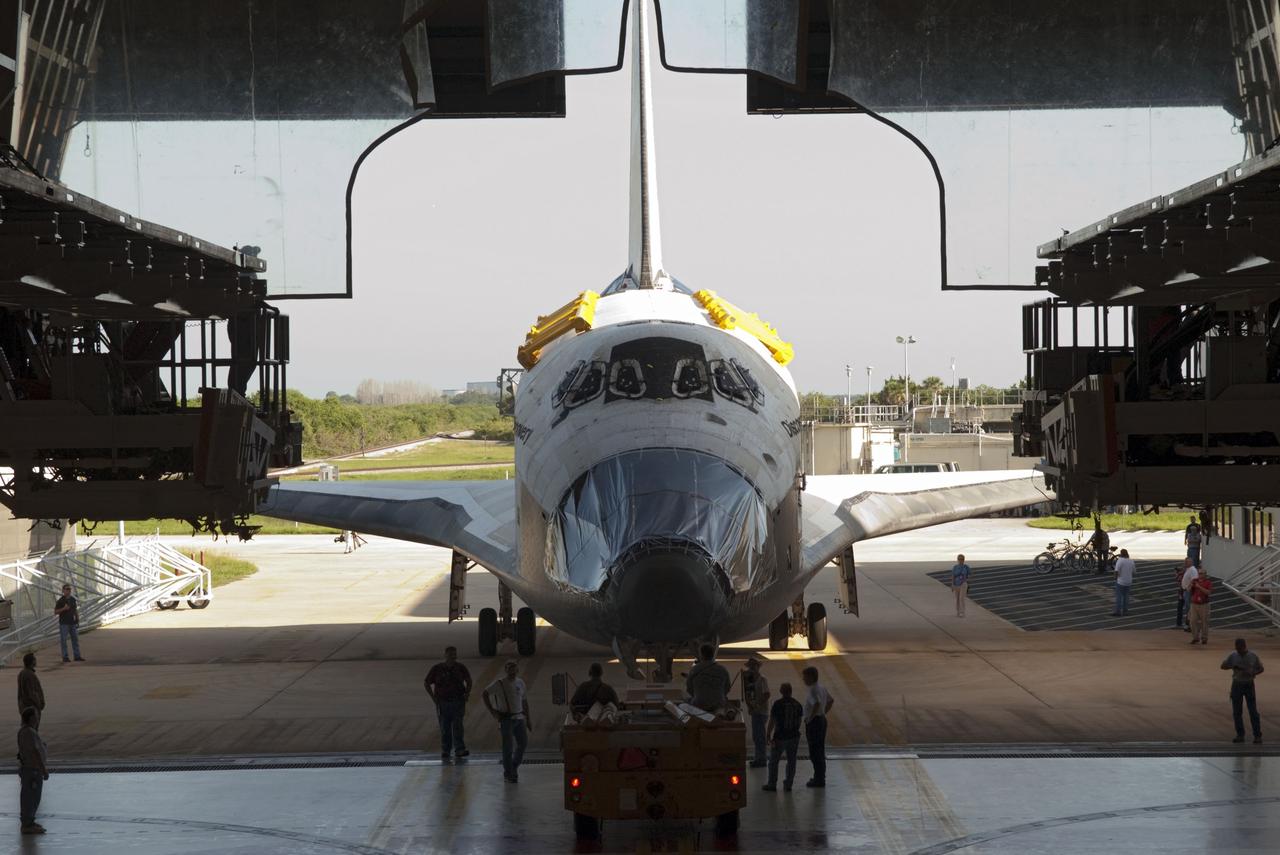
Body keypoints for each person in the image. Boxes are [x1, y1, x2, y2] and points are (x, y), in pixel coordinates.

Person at [483, 660, 531, 782]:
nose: (512, 670)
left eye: (514, 668)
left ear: (517, 670)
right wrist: (493, 711)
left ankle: (513, 766)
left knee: (523, 744)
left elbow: (524, 701)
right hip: (506, 720)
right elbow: (485, 693)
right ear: (506, 670)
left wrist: (528, 718)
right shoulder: (499, 684)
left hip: (519, 718)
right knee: (508, 747)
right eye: (509, 668)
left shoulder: (520, 683)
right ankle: (509, 772)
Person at [424, 646, 472, 761]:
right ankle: (446, 750)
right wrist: (434, 698)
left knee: (458, 727)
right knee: (445, 728)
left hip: (458, 701)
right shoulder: (437, 668)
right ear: (445, 655)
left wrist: (467, 693)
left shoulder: (460, 668)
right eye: (450, 654)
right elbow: (427, 682)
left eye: (454, 654)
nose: (453, 656)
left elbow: (469, 680)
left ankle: (459, 749)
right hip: (442, 702)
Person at [761, 682, 804, 792]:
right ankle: (788, 784)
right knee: (791, 761)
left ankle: (772, 784)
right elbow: (799, 722)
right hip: (794, 737)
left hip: (780, 737)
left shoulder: (777, 704)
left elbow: (772, 721)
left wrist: (768, 734)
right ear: (791, 691)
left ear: (781, 691)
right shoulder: (797, 704)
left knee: (773, 761)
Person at [1221, 638, 1264, 744]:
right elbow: (1223, 666)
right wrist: (1232, 666)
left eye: (1240, 648)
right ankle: (1240, 735)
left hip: (1248, 684)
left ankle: (1257, 735)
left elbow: (1261, 668)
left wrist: (1253, 672)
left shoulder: (1253, 656)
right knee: (1237, 712)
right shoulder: (1233, 655)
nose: (1238, 650)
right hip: (1237, 684)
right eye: (1237, 648)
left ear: (1244, 646)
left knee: (1253, 711)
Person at [16, 706, 48, 834]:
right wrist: (43, 769)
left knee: (31, 797)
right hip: (32, 770)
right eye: (35, 716)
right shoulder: (29, 732)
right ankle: (27, 824)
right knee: (31, 797)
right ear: (31, 718)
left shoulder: (25, 731)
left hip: (30, 769)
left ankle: (29, 822)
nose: (37, 718)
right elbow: (35, 752)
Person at [801, 666, 833, 788]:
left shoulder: (812, 690)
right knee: (820, 750)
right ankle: (819, 777)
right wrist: (823, 712)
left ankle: (818, 779)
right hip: (822, 720)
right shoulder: (822, 687)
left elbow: (817, 703)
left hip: (814, 723)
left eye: (805, 676)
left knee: (815, 752)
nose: (803, 679)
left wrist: (810, 718)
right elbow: (830, 701)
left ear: (811, 677)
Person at [741, 658, 771, 767]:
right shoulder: (751, 680)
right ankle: (758, 758)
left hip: (761, 712)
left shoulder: (762, 679)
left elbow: (767, 694)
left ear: (758, 667)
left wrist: (758, 704)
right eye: (750, 667)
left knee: (759, 737)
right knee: (756, 736)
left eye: (754, 666)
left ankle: (761, 759)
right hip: (756, 712)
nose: (752, 669)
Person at [685, 643, 731, 713]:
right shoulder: (722, 670)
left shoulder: (694, 670)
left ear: (701, 655)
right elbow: (727, 688)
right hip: (718, 704)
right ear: (713, 654)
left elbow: (689, 689)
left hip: (699, 704)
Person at [17, 653, 44, 728]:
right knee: (32, 728)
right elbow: (31, 693)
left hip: (24, 705)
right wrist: (39, 704)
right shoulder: (29, 675)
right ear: (32, 662)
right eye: (35, 659)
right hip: (31, 706)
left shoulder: (22, 673)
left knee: (27, 728)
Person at [1188, 565, 1213, 645]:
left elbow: (1208, 592)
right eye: (1199, 573)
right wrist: (1191, 585)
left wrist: (1199, 587)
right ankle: (1195, 637)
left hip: (1204, 605)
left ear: (1205, 574)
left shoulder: (1208, 582)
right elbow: (1188, 589)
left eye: (1201, 573)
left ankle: (1204, 638)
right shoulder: (1194, 580)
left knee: (1204, 622)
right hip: (1194, 604)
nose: (1200, 575)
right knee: (1192, 621)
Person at [1112, 549, 1136, 616]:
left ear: (1121, 554)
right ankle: (1125, 611)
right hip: (1129, 581)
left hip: (1121, 581)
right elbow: (1134, 572)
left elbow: (1116, 571)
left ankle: (1118, 611)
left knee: (1119, 597)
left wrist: (1115, 579)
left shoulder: (1120, 561)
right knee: (1126, 597)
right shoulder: (1131, 561)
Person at [1180, 559, 1199, 634]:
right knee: (1188, 609)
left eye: (1186, 562)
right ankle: (1189, 625)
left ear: (1191, 562)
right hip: (1186, 591)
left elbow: (1194, 580)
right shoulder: (1189, 569)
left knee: (1190, 609)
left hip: (1189, 592)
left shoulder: (1192, 570)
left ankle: (1191, 626)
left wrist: (1189, 588)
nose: (1184, 563)